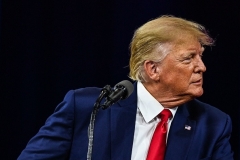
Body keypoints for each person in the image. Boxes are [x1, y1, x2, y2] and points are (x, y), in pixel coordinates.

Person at [18, 15, 233, 160]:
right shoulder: (88, 108)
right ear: (153, 69)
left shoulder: (213, 125)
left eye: (200, 57)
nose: (202, 67)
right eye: (188, 59)